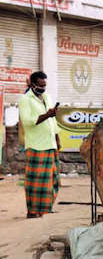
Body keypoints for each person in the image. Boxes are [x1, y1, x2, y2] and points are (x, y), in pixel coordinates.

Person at [18, 71, 60, 218]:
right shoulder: (25, 99)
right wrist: (47, 114)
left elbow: (52, 121)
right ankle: (32, 211)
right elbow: (27, 121)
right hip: (36, 145)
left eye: (45, 85)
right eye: (40, 85)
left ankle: (44, 208)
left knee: (52, 181)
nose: (43, 88)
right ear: (32, 84)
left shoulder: (47, 97)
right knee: (34, 182)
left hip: (50, 143)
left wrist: (57, 137)